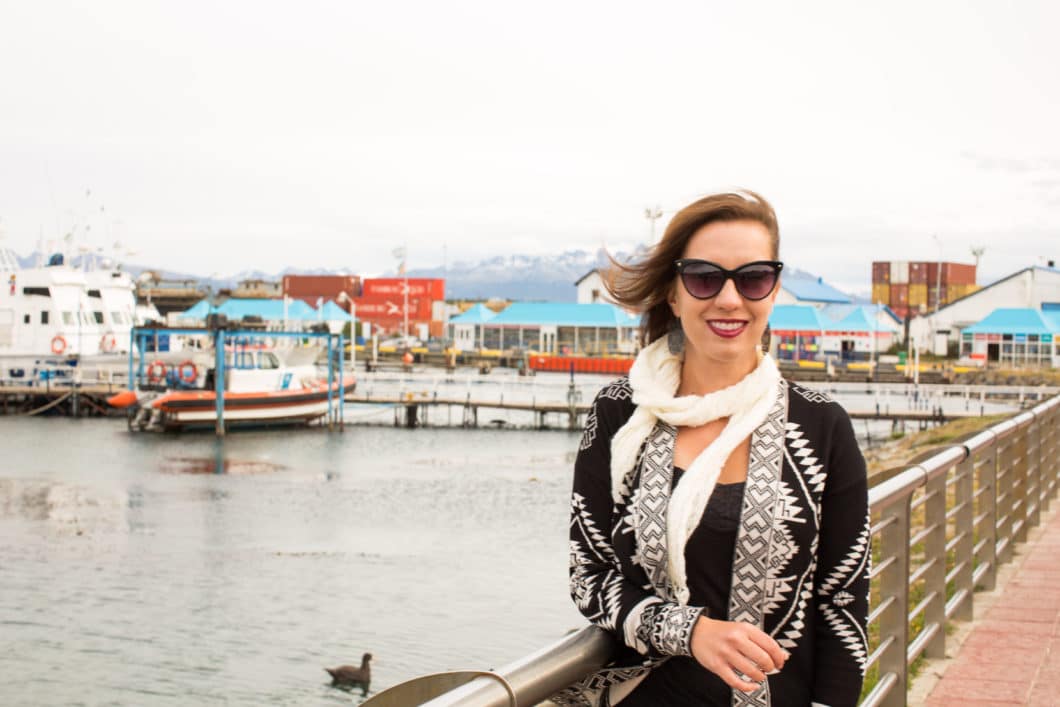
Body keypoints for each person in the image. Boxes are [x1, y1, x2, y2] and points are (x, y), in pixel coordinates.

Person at [552, 191, 869, 707]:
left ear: (773, 291)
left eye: (753, 278)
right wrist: (689, 631)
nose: (729, 299)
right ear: (674, 295)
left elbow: (843, 603)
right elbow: (588, 577)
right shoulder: (618, 413)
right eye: (704, 277)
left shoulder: (821, 426)